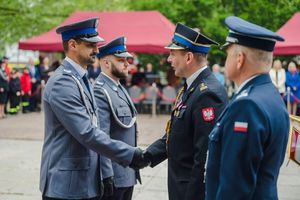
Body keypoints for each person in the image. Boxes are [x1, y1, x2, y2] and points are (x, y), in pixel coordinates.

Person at [40, 18, 149, 200]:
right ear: (73, 45)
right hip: (66, 187)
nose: (97, 50)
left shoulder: (81, 79)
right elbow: (87, 133)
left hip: (83, 182)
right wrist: (131, 155)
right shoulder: (62, 82)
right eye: (91, 45)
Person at [205, 16, 290, 200]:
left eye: (228, 54)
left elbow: (235, 186)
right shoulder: (271, 95)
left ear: (239, 59)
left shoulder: (247, 105)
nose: (225, 60)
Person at [142, 23, 228, 200]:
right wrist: (147, 156)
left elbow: (204, 158)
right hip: (180, 187)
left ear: (188, 57)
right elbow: (176, 133)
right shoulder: (190, 87)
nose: (169, 59)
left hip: (191, 193)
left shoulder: (207, 93)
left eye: (173, 54)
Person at [94, 36, 140, 200]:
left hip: (127, 174)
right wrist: (107, 175)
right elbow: (101, 137)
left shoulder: (118, 87)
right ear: (106, 63)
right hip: (115, 176)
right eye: (121, 60)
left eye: (127, 59)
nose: (127, 63)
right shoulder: (100, 90)